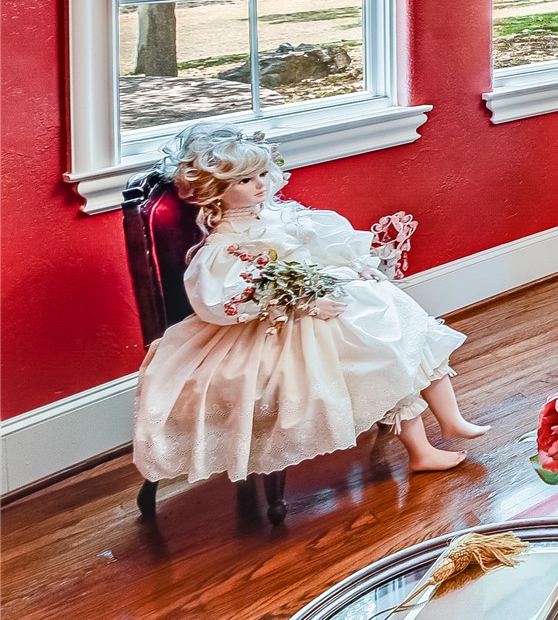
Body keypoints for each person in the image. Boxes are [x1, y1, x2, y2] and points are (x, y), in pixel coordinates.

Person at [133, 124, 485, 488]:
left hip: (324, 292)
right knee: (376, 347)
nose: (260, 185)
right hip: (279, 323)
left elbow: (317, 247)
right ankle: (420, 450)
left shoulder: (276, 216)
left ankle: (451, 418)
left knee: (399, 315)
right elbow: (228, 299)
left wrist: (353, 265)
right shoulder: (226, 245)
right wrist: (302, 301)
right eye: (245, 181)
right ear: (216, 192)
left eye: (262, 174)